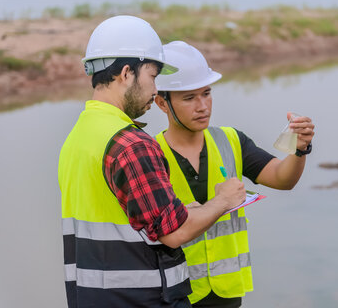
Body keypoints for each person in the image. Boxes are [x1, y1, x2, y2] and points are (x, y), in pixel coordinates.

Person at [58, 16, 246, 308]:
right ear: (126, 73)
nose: (156, 90)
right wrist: (222, 201)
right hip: (142, 299)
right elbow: (175, 234)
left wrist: (179, 210)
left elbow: (118, 217)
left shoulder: (79, 135)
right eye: (153, 77)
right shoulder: (131, 144)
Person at [153, 41, 315, 308]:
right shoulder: (149, 154)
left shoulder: (231, 140)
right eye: (189, 98)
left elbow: (282, 179)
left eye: (206, 93)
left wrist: (300, 150)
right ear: (162, 103)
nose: (202, 106)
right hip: (174, 295)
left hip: (226, 295)